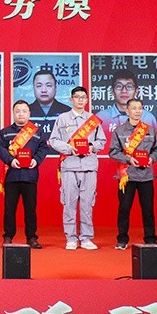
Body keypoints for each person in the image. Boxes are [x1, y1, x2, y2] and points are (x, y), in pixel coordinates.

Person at [48, 86, 106, 250]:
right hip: (69, 166)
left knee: (87, 204)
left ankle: (86, 238)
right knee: (69, 204)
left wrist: (91, 147)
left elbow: (102, 141)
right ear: (71, 99)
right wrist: (68, 148)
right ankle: (71, 238)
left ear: (87, 100)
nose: (80, 100)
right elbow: (53, 140)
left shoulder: (93, 120)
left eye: (83, 97)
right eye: (77, 97)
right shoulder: (62, 118)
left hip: (89, 166)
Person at [108, 98, 157, 250]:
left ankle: (150, 238)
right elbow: (113, 151)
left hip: (146, 176)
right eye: (134, 108)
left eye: (140, 108)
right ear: (127, 110)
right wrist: (128, 159)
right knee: (124, 208)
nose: (137, 111)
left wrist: (152, 158)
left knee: (148, 209)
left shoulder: (149, 130)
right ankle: (122, 239)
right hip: (127, 176)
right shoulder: (119, 131)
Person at [0, 100, 47, 249]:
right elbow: (0, 148)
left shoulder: (37, 132)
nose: (21, 114)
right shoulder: (5, 132)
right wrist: (10, 160)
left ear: (29, 113)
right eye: (17, 111)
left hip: (30, 176)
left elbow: (43, 148)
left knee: (30, 208)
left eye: (24, 111)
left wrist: (36, 160)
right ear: (13, 113)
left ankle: (31, 237)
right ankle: (8, 236)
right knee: (9, 209)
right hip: (11, 176)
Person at [95, 71, 157, 139]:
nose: (124, 90)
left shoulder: (147, 118)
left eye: (129, 86)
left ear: (136, 91)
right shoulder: (101, 117)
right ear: (112, 91)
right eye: (119, 86)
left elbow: (155, 144)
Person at [27, 69, 71, 141]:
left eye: (48, 85)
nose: (44, 90)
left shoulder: (67, 112)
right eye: (39, 86)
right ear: (33, 88)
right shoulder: (26, 112)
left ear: (55, 88)